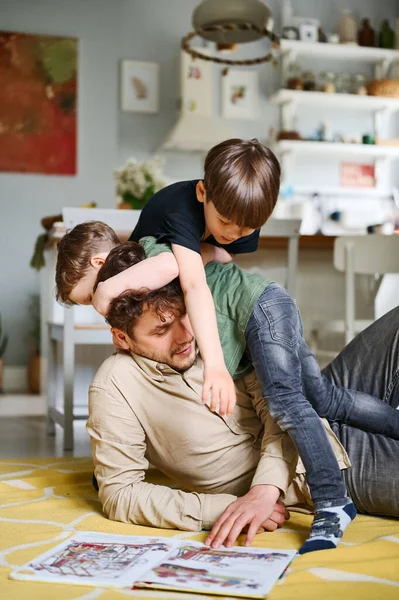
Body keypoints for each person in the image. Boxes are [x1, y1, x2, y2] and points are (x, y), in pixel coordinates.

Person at [88, 238, 399, 554]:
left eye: (185, 315)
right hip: (315, 470)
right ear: (122, 338)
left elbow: (277, 404)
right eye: (161, 330)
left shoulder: (210, 327)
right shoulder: (115, 386)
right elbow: (120, 494)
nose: (186, 336)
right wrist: (227, 506)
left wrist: (265, 488)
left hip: (316, 399)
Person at [57, 138, 282, 418]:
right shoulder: (178, 222)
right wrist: (208, 252)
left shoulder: (137, 266)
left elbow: (191, 274)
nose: (97, 305)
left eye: (90, 296)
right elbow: (208, 260)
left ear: (100, 264)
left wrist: (106, 289)